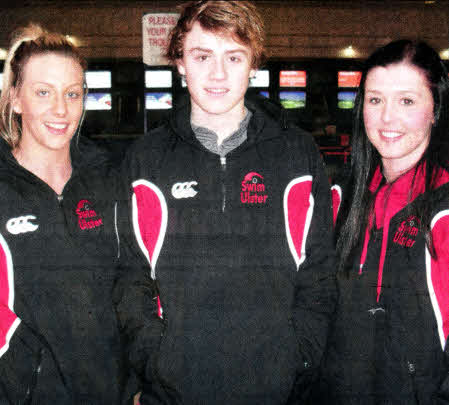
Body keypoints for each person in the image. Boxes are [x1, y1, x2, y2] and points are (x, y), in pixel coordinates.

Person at [116, 1, 337, 403]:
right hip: (173, 392)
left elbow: (318, 275)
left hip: (277, 390)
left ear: (254, 64)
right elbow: (132, 279)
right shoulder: (144, 159)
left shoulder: (297, 154)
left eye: (234, 57)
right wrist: (155, 360)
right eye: (202, 56)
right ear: (180, 62)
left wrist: (298, 358)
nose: (218, 74)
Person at [0, 24, 135, 403]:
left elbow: (134, 290)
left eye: (72, 94)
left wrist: (140, 383)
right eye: (43, 92)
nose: (60, 109)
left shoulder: (109, 182)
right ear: (15, 99)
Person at [320, 40, 449, 404]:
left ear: (435, 109)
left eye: (407, 101)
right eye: (375, 100)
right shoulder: (340, 200)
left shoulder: (442, 215)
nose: (387, 118)